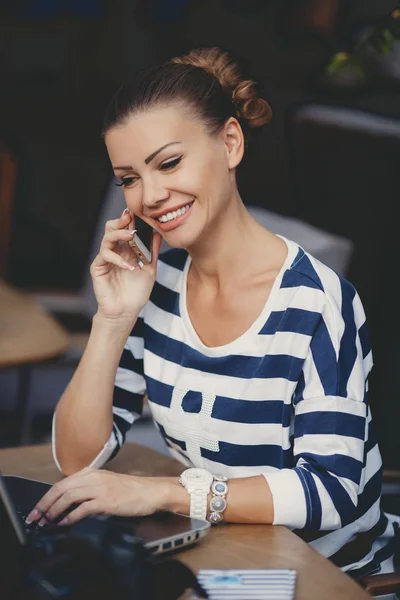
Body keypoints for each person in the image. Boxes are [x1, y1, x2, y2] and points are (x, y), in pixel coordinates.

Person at [26, 47, 399, 578]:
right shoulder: (155, 287)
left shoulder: (318, 301)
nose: (150, 195)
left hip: (330, 578)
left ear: (230, 142)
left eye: (169, 162)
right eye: (128, 178)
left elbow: (331, 490)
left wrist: (163, 493)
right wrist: (113, 320)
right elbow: (77, 458)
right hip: (222, 564)